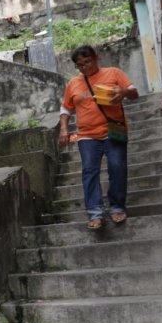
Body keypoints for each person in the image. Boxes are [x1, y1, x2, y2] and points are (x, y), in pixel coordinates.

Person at [59, 45, 139, 229]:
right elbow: (66, 108)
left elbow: (134, 93)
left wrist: (124, 92)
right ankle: (95, 213)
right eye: (80, 65)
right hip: (86, 135)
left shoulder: (114, 73)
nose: (85, 67)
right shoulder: (73, 83)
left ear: (97, 57)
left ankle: (117, 206)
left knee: (117, 167)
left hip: (113, 131)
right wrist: (64, 129)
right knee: (89, 171)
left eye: (88, 62)